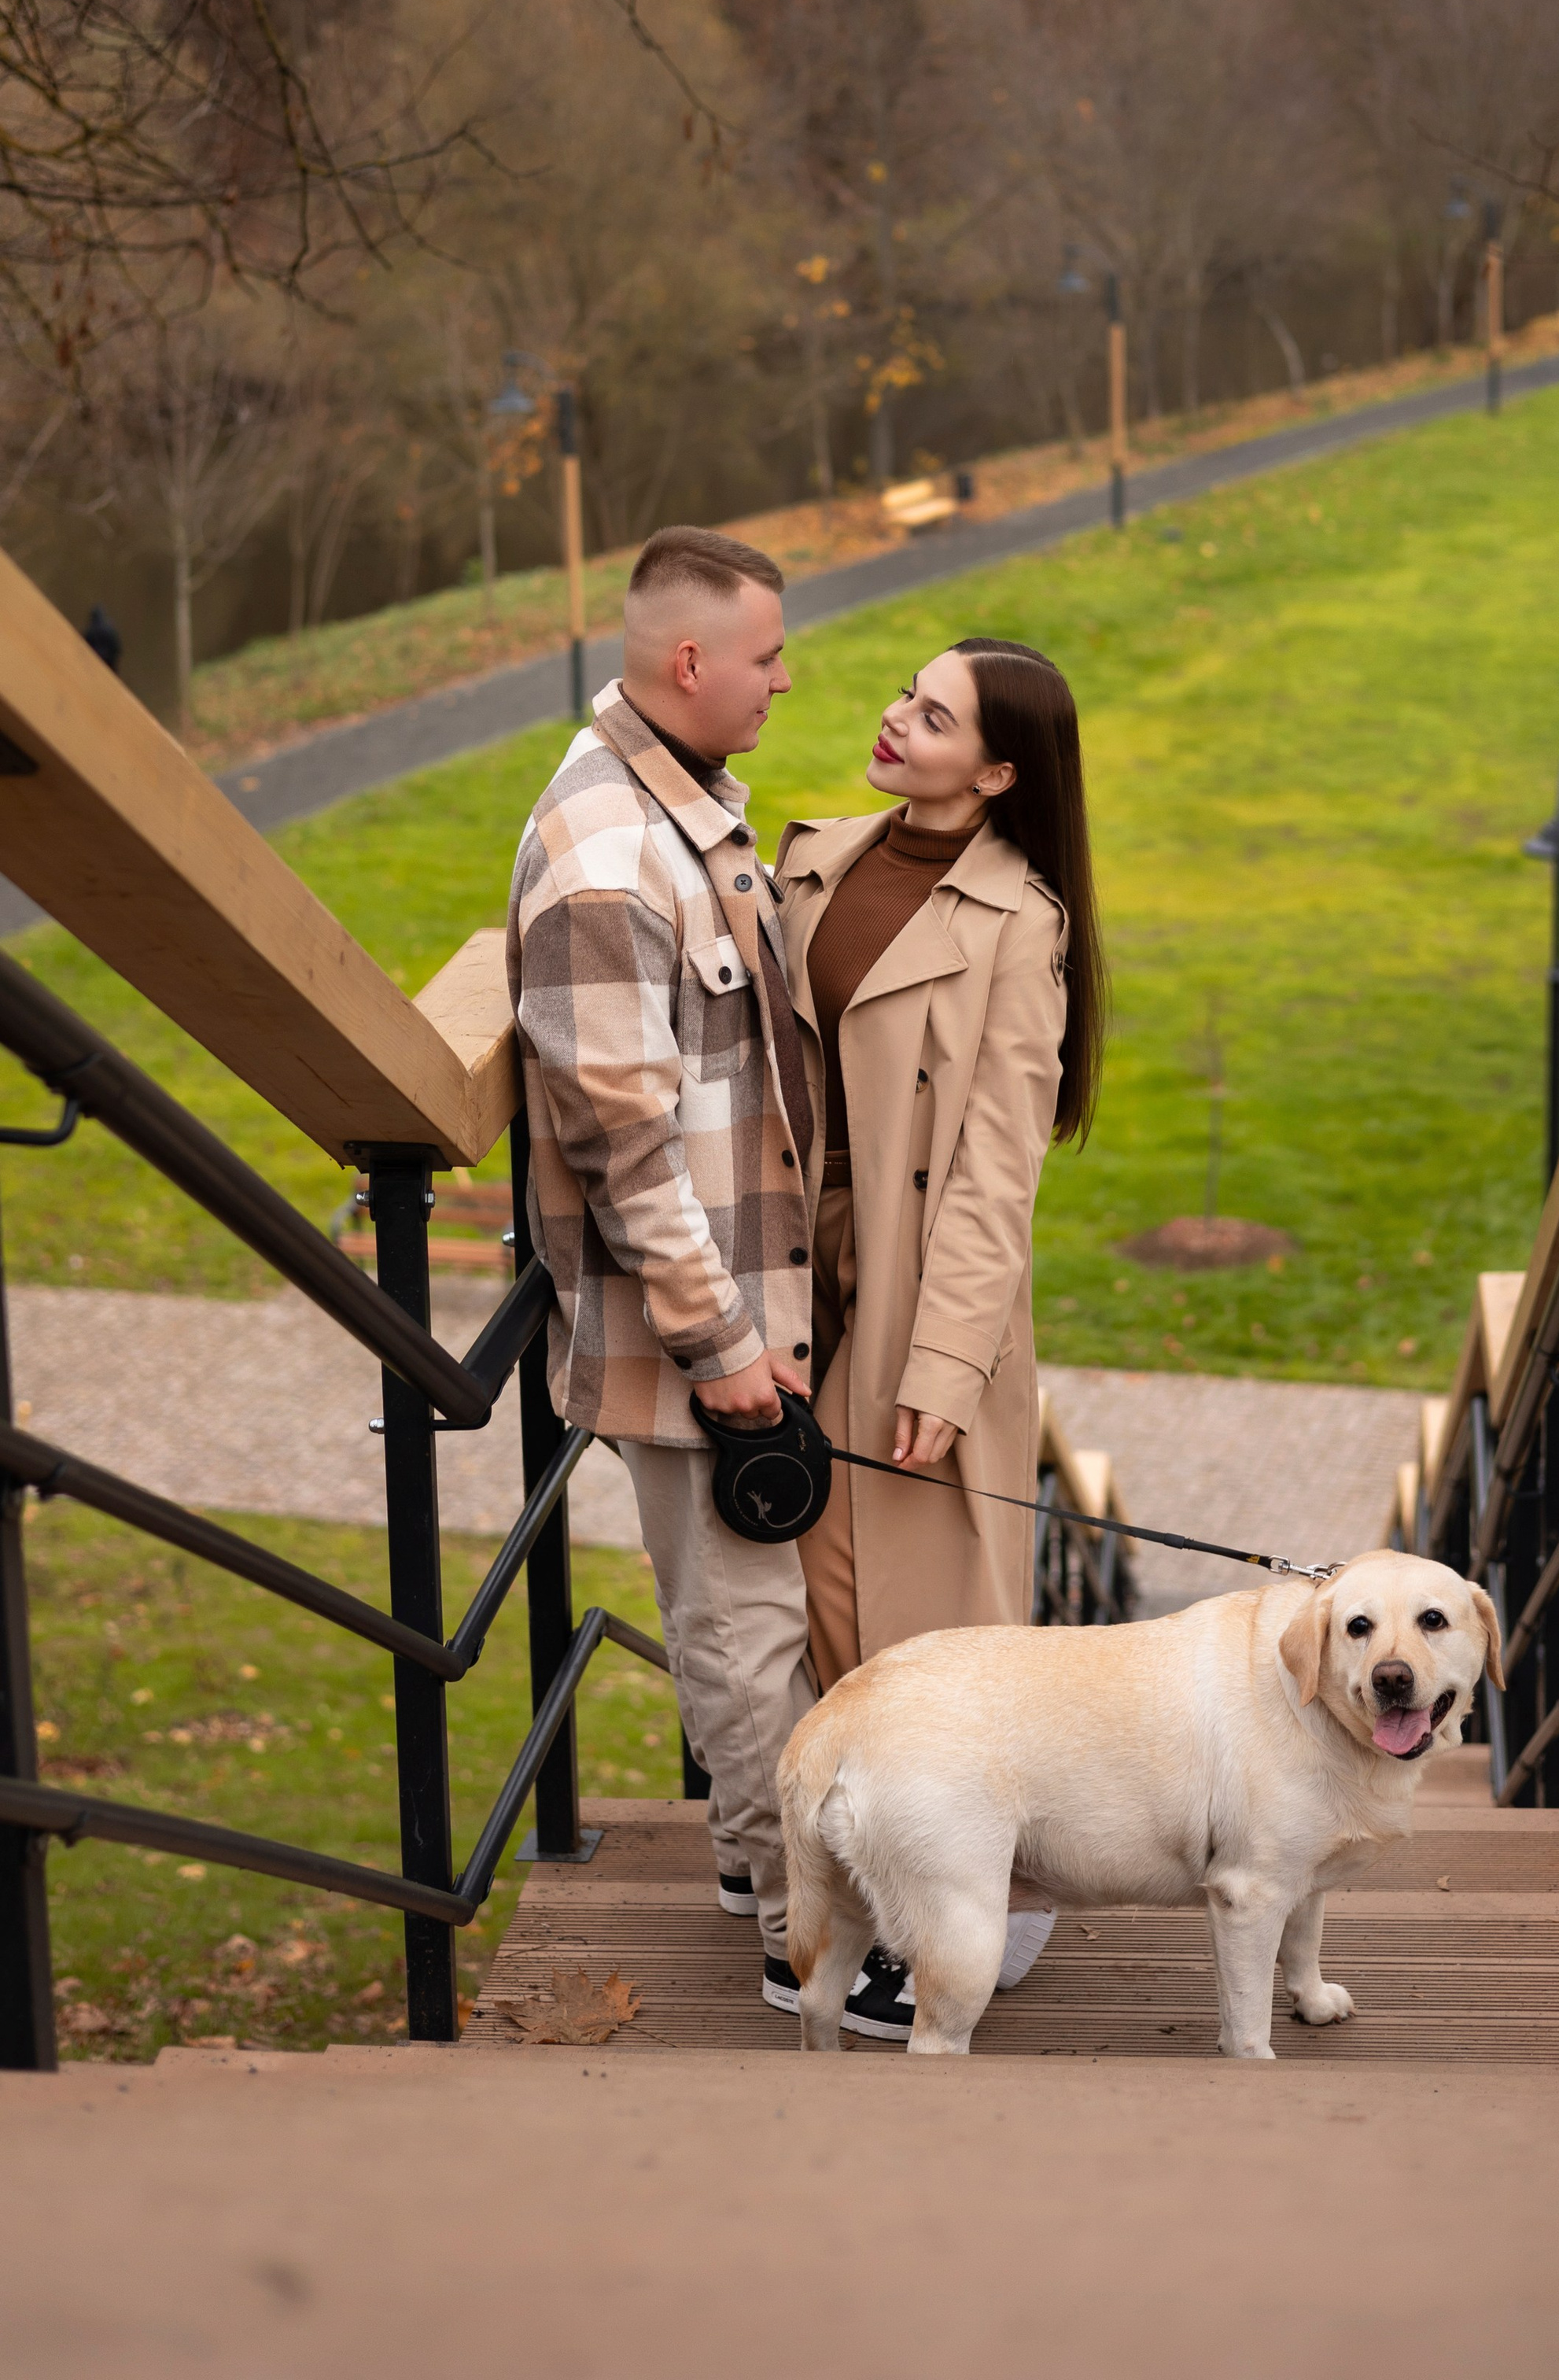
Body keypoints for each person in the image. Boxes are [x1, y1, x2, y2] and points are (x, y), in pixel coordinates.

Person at [506, 524, 818, 2021]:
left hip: (736, 1315)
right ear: (689, 661)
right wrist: (726, 1344)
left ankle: (754, 1871)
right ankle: (796, 1937)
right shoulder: (608, 858)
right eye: (765, 655)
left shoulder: (680, 814)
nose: (782, 679)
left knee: (741, 1622)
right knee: (747, 1637)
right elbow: (626, 1149)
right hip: (690, 1333)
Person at [775, 635, 1107, 2037]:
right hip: (790, 1252)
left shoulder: (1020, 926)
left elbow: (994, 1173)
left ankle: (968, 1908)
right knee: (807, 1585)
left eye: (934, 715)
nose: (895, 722)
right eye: (903, 699)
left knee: (907, 1606)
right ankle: (862, 1894)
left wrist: (949, 1365)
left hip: (917, 1283)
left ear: (1000, 769)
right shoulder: (812, 859)